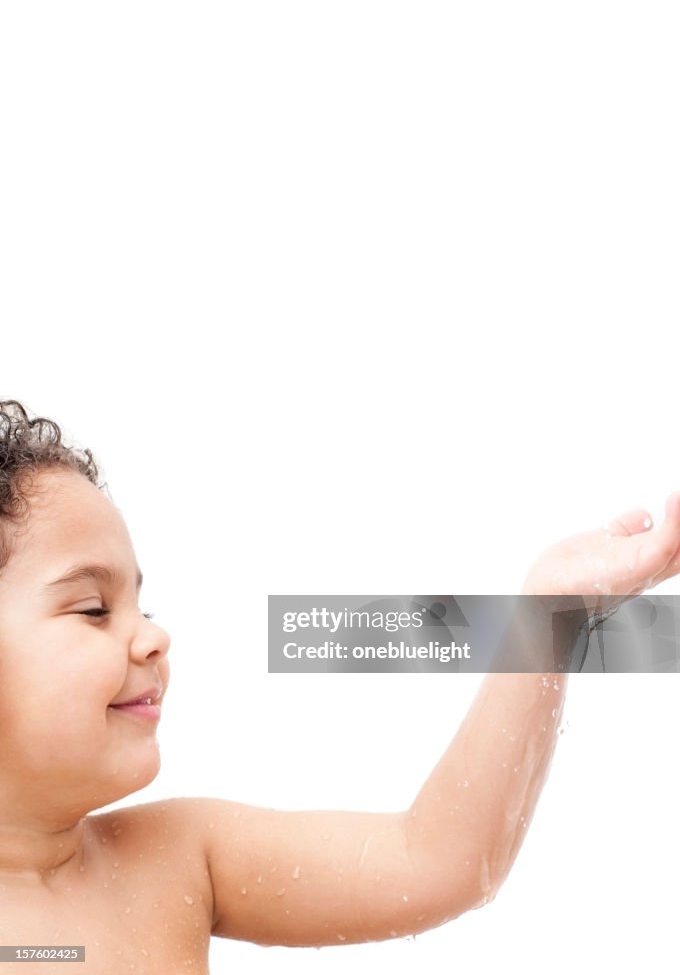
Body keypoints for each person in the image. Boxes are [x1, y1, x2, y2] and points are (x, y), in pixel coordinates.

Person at [2, 398, 680, 974]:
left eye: (143, 609)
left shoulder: (177, 856)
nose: (153, 638)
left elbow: (441, 860)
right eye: (94, 609)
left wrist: (546, 615)